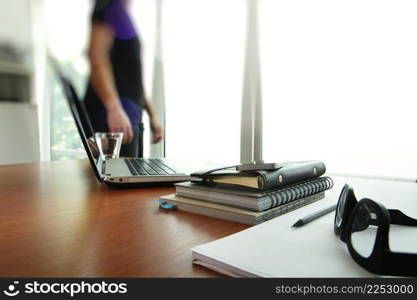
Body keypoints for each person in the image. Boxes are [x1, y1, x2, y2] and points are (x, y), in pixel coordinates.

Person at [84, 0, 163, 157]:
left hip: (130, 114)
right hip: (115, 116)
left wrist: (152, 115)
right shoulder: (108, 8)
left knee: (130, 176)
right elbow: (96, 58)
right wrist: (114, 109)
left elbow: (132, 79)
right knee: (115, 179)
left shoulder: (122, 14)